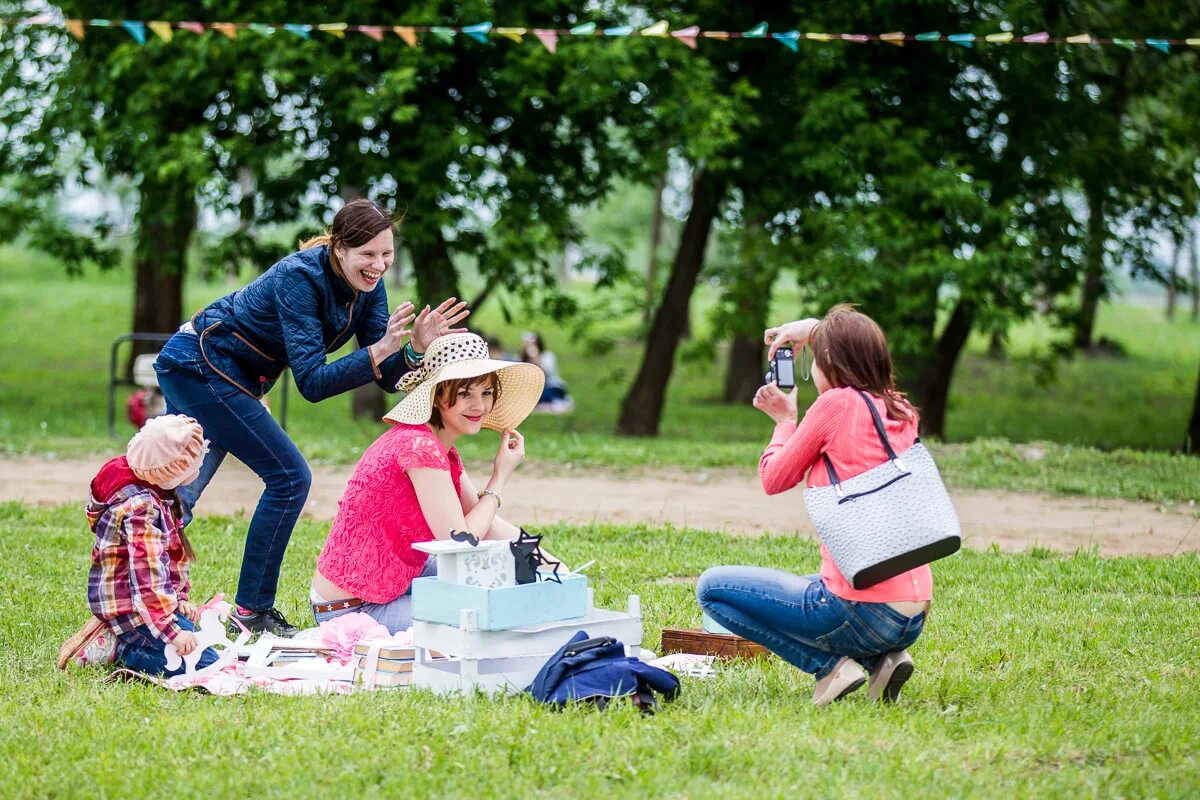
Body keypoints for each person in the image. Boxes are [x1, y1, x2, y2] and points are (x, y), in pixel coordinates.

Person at [152, 198, 469, 636]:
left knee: (175, 492)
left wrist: (413, 349)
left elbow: (384, 376)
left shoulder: (369, 287)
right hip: (199, 365)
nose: (378, 265)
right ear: (339, 247)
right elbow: (313, 383)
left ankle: (149, 600)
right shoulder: (299, 277)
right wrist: (380, 350)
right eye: (368, 254)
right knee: (288, 477)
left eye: (386, 254)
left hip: (230, 376)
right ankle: (251, 613)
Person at [696, 304, 931, 707]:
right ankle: (884, 661)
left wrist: (784, 421)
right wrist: (814, 331)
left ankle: (829, 668)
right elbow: (857, 347)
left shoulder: (835, 405)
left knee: (713, 589)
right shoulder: (900, 408)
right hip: (912, 614)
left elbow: (775, 478)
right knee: (815, 583)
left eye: (815, 362)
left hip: (863, 613)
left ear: (832, 365)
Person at [310, 333, 546, 634]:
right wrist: (499, 477)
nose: (479, 405)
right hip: (352, 608)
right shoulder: (418, 446)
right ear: (436, 395)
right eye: (465, 393)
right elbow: (460, 541)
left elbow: (486, 524)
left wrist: (546, 562)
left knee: (500, 573)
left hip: (396, 580)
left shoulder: (437, 447)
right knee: (483, 613)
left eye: (486, 393)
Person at [57, 415, 220, 676]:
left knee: (200, 645)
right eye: (192, 460)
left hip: (146, 605)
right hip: (130, 607)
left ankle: (132, 637)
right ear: (169, 469)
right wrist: (171, 630)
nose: (199, 463)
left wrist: (177, 601)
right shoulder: (140, 509)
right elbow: (146, 579)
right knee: (204, 664)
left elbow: (164, 561)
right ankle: (119, 647)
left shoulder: (151, 487)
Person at [520, 331, 573, 413]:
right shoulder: (520, 359)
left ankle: (556, 402)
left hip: (551, 386)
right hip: (532, 390)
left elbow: (546, 374)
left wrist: (535, 357)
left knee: (545, 394)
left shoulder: (547, 356)